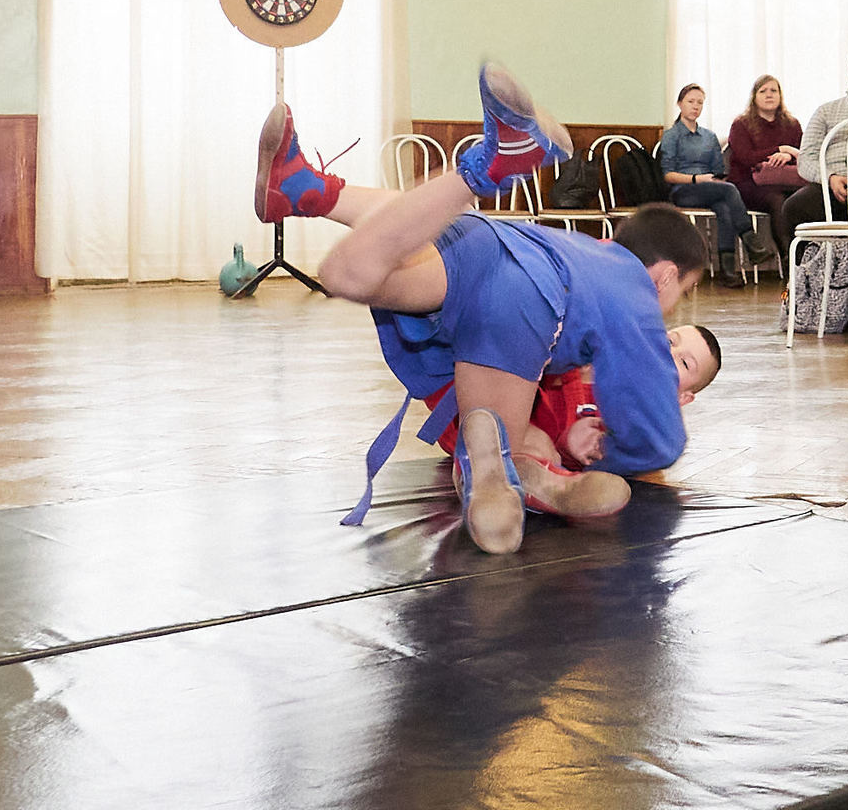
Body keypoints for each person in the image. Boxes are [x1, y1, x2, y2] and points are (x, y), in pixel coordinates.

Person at [256, 62, 720, 554]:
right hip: (524, 296)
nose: (670, 315)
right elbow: (660, 440)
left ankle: (305, 188)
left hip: (487, 238)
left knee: (348, 273)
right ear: (665, 275)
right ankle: (489, 165)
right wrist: (620, 453)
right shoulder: (635, 296)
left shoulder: (587, 249)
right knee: (501, 441)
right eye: (681, 292)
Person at [777, 38, 848, 265]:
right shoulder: (826, 111)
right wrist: (831, 178)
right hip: (830, 187)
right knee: (793, 208)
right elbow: (806, 158)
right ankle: (801, 283)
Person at [658, 84, 754, 286]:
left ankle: (727, 272)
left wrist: (711, 179)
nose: (695, 106)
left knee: (725, 208)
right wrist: (695, 179)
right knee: (729, 190)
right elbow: (667, 175)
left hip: (710, 188)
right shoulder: (672, 135)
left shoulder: (709, 137)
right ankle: (751, 241)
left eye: (700, 102)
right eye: (691, 102)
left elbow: (718, 170)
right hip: (683, 189)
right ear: (679, 104)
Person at [724, 74, 803, 247]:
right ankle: (788, 258)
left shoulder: (792, 124)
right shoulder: (741, 124)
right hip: (747, 183)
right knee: (777, 201)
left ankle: (808, 258)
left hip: (785, 182)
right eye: (763, 91)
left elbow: (804, 155)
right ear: (754, 97)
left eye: (774, 91)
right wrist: (780, 149)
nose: (769, 95)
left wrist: (788, 155)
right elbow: (746, 158)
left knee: (803, 201)